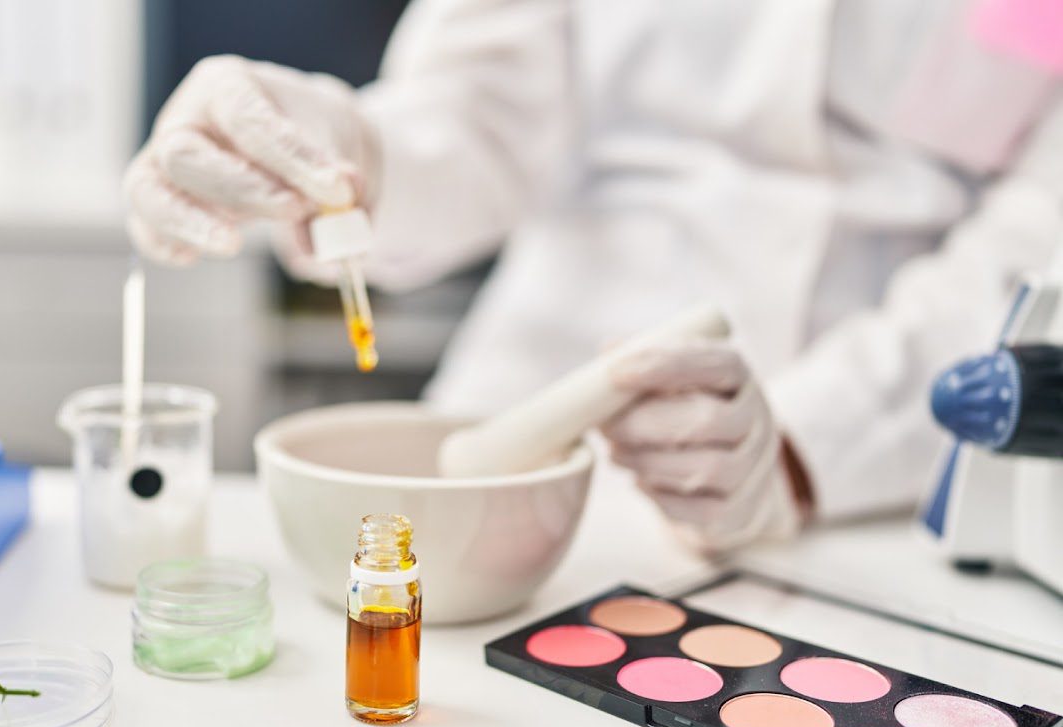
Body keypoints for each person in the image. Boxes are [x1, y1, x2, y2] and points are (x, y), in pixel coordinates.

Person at [123, 0, 1063, 551]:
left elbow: (1037, 229)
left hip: (874, 477)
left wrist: (802, 448)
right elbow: (475, 115)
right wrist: (351, 147)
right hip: (528, 408)